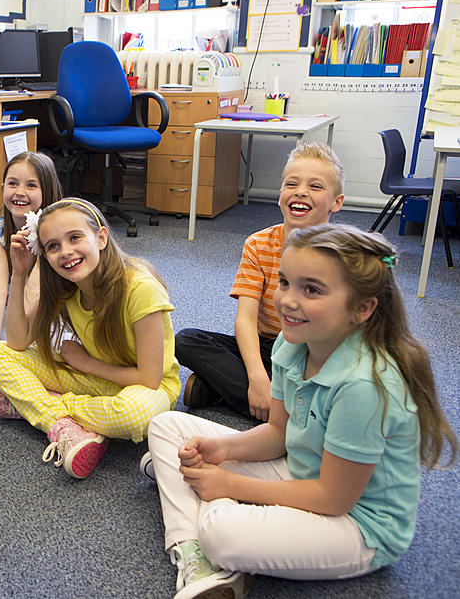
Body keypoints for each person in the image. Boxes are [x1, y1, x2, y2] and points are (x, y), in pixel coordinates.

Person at [143, 224, 457, 599]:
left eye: (311, 289)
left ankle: (200, 523)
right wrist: (224, 450)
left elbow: (333, 498)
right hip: (302, 469)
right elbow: (278, 435)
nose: (287, 300)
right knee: (165, 425)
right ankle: (194, 552)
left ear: (362, 308)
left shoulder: (364, 385)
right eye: (285, 282)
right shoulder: (291, 346)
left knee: (220, 532)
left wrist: (231, 485)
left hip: (357, 523)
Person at [0, 198, 180, 479]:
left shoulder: (140, 287)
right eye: (53, 246)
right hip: (94, 383)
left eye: (75, 237)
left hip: (145, 387)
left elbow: (149, 379)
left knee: (133, 416)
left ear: (101, 237)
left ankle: (36, 406)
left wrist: (85, 364)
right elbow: (17, 342)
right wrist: (20, 274)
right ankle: (65, 426)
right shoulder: (65, 286)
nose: (66, 252)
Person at [174, 143, 345, 422]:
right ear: (280, 195)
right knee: (186, 340)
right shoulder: (258, 243)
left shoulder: (345, 253)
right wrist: (256, 378)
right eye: (292, 183)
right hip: (267, 348)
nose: (301, 191)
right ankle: (285, 410)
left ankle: (224, 391)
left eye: (315, 187)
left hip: (315, 353)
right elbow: (246, 319)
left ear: (336, 202)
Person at [0, 151, 62, 371]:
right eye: (13, 183)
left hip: (53, 311)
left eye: (31, 186)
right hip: (16, 305)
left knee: (51, 353)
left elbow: (35, 291)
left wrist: (21, 340)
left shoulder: (56, 230)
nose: (20, 193)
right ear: (2, 188)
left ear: (48, 190)